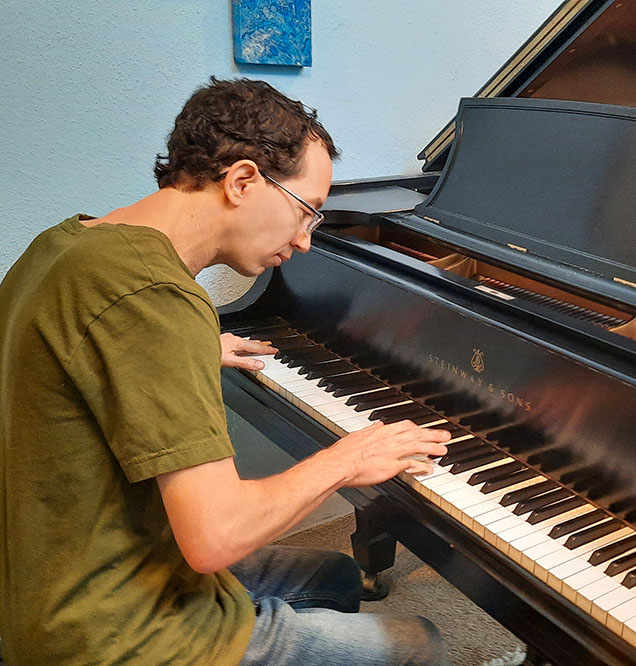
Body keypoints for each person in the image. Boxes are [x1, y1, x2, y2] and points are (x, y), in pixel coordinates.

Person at [0, 78, 452, 665]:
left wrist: (182, 354)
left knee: (338, 577)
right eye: (307, 210)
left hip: (41, 579)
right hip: (104, 632)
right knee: (423, 647)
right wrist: (347, 459)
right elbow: (217, 538)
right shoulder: (157, 301)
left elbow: (71, 352)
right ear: (242, 181)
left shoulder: (67, 246)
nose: (306, 240)